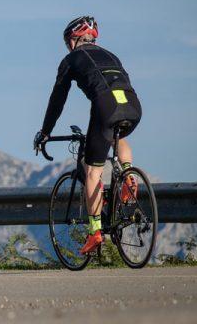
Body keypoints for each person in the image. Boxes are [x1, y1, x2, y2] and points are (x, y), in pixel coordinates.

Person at [34, 16, 142, 254]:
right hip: (133, 105)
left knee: (92, 171)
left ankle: (95, 232)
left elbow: (57, 100)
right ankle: (128, 176)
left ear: (73, 40)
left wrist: (45, 132)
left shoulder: (71, 59)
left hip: (106, 105)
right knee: (117, 136)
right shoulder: (111, 55)